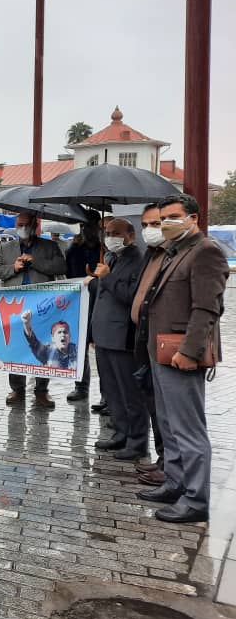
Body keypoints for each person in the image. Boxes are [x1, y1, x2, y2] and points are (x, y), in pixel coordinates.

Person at [133, 193, 228, 524]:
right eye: (163, 219)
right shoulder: (176, 252)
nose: (167, 224)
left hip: (180, 354)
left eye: (173, 217)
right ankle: (174, 483)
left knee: (188, 428)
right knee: (169, 424)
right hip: (160, 352)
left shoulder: (206, 252)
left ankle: (195, 497)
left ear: (193, 219)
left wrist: (190, 352)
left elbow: (207, 308)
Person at [0, 212, 67, 408]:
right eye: (19, 224)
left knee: (42, 347)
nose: (22, 227)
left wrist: (34, 261)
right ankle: (17, 389)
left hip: (42, 306)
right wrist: (13, 268)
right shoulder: (5, 247)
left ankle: (41, 391)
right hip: (14, 305)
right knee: (16, 347)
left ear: (34, 225)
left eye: (25, 224)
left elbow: (60, 266)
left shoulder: (49, 246)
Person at [88, 218, 145, 459]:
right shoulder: (110, 258)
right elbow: (102, 295)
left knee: (128, 392)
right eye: (107, 233)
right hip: (103, 335)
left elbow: (132, 296)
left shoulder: (138, 260)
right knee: (111, 391)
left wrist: (108, 278)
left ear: (130, 235)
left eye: (116, 233)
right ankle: (120, 433)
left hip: (122, 337)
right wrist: (94, 280)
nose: (110, 237)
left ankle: (137, 440)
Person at [133, 205, 167, 486]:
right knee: (155, 405)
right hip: (144, 338)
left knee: (169, 410)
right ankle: (163, 459)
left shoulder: (177, 255)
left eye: (156, 223)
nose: (150, 229)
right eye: (146, 224)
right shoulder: (152, 254)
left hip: (168, 344)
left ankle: (172, 467)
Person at [65, 212, 102, 403]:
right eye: (83, 226)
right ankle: (81, 387)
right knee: (79, 348)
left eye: (90, 226)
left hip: (101, 302)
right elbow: (68, 274)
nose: (87, 230)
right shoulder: (74, 250)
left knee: (103, 349)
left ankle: (106, 395)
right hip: (79, 302)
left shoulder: (105, 250)